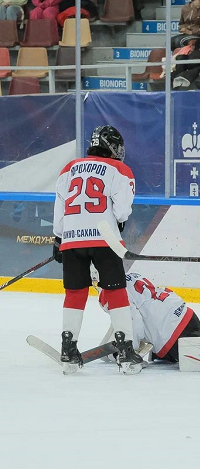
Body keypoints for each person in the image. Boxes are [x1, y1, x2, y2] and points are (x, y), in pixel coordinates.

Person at [52, 126, 142, 375]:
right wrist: (118, 221)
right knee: (116, 292)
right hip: (105, 240)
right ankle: (125, 352)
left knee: (75, 293)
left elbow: (60, 209)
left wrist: (58, 238)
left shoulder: (68, 168)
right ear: (112, 147)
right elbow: (122, 211)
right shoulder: (120, 170)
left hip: (72, 240)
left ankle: (68, 351)